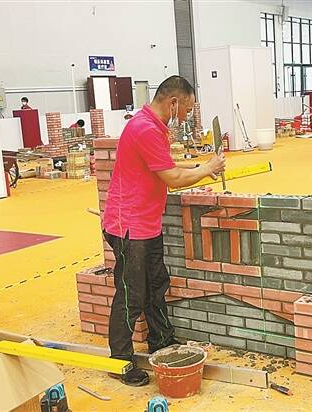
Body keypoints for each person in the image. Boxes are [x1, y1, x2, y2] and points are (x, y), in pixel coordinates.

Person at [102, 75, 225, 387]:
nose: (185, 117)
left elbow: (165, 169)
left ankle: (161, 341)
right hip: (129, 227)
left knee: (156, 285)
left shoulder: (155, 127)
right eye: (186, 110)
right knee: (132, 295)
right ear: (173, 102)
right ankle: (120, 361)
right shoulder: (143, 128)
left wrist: (199, 171)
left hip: (146, 225)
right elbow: (172, 178)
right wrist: (207, 169)